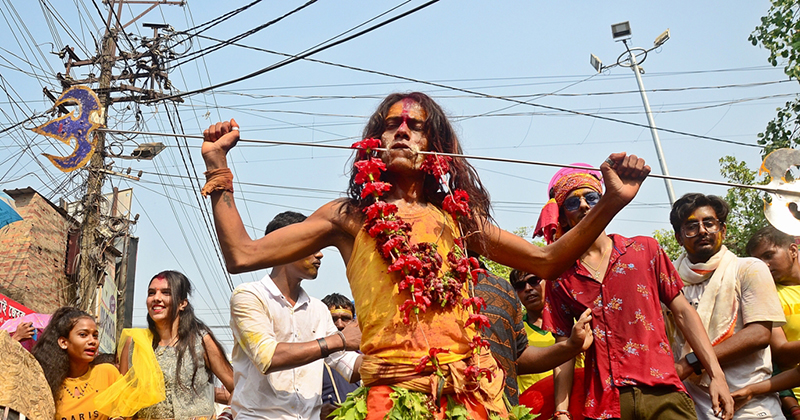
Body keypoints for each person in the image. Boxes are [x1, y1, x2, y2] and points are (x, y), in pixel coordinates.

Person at [201, 91, 651, 418]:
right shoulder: (349, 217)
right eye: (392, 124)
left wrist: (611, 202)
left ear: (435, 145)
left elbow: (546, 261)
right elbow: (242, 254)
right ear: (374, 142)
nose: (402, 131)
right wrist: (218, 167)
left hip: (470, 397)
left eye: (415, 126)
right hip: (392, 397)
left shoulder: (459, 218)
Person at [539, 166, 732, 420]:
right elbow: (563, 346)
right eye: (573, 202)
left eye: (592, 197)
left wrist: (717, 376)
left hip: (663, 393)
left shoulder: (644, 250)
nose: (584, 205)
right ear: (563, 218)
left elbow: (683, 313)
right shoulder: (560, 278)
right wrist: (561, 410)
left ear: (604, 203)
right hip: (606, 405)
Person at [228, 212, 362, 420]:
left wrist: (390, 355)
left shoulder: (318, 309)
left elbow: (348, 365)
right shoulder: (249, 296)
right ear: (284, 246)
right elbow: (268, 357)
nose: (320, 254)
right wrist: (340, 340)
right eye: (313, 245)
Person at [670, 193, 785, 419]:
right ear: (679, 238)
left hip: (751, 406)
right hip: (694, 409)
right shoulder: (667, 282)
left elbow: (759, 334)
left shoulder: (748, 269)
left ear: (722, 230)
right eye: (691, 226)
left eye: (709, 223)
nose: (702, 231)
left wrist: (690, 363)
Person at [121, 270, 234, 419]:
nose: (156, 298)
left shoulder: (200, 341)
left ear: (182, 303)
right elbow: (123, 399)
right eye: (151, 293)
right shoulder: (135, 343)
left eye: (166, 293)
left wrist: (226, 415)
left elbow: (238, 388)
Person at [746, 225, 800, 419]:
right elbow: (782, 354)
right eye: (758, 261)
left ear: (792, 250)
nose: (764, 266)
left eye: (769, 255)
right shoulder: (765, 296)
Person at [31, 306, 121, 420]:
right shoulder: (46, 384)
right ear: (63, 342)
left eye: (95, 336)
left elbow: (125, 412)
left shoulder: (108, 373)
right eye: (83, 335)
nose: (92, 341)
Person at [320, 293, 361, 419]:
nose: (340, 325)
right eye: (333, 319)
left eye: (345, 319)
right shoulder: (312, 358)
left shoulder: (362, 358)